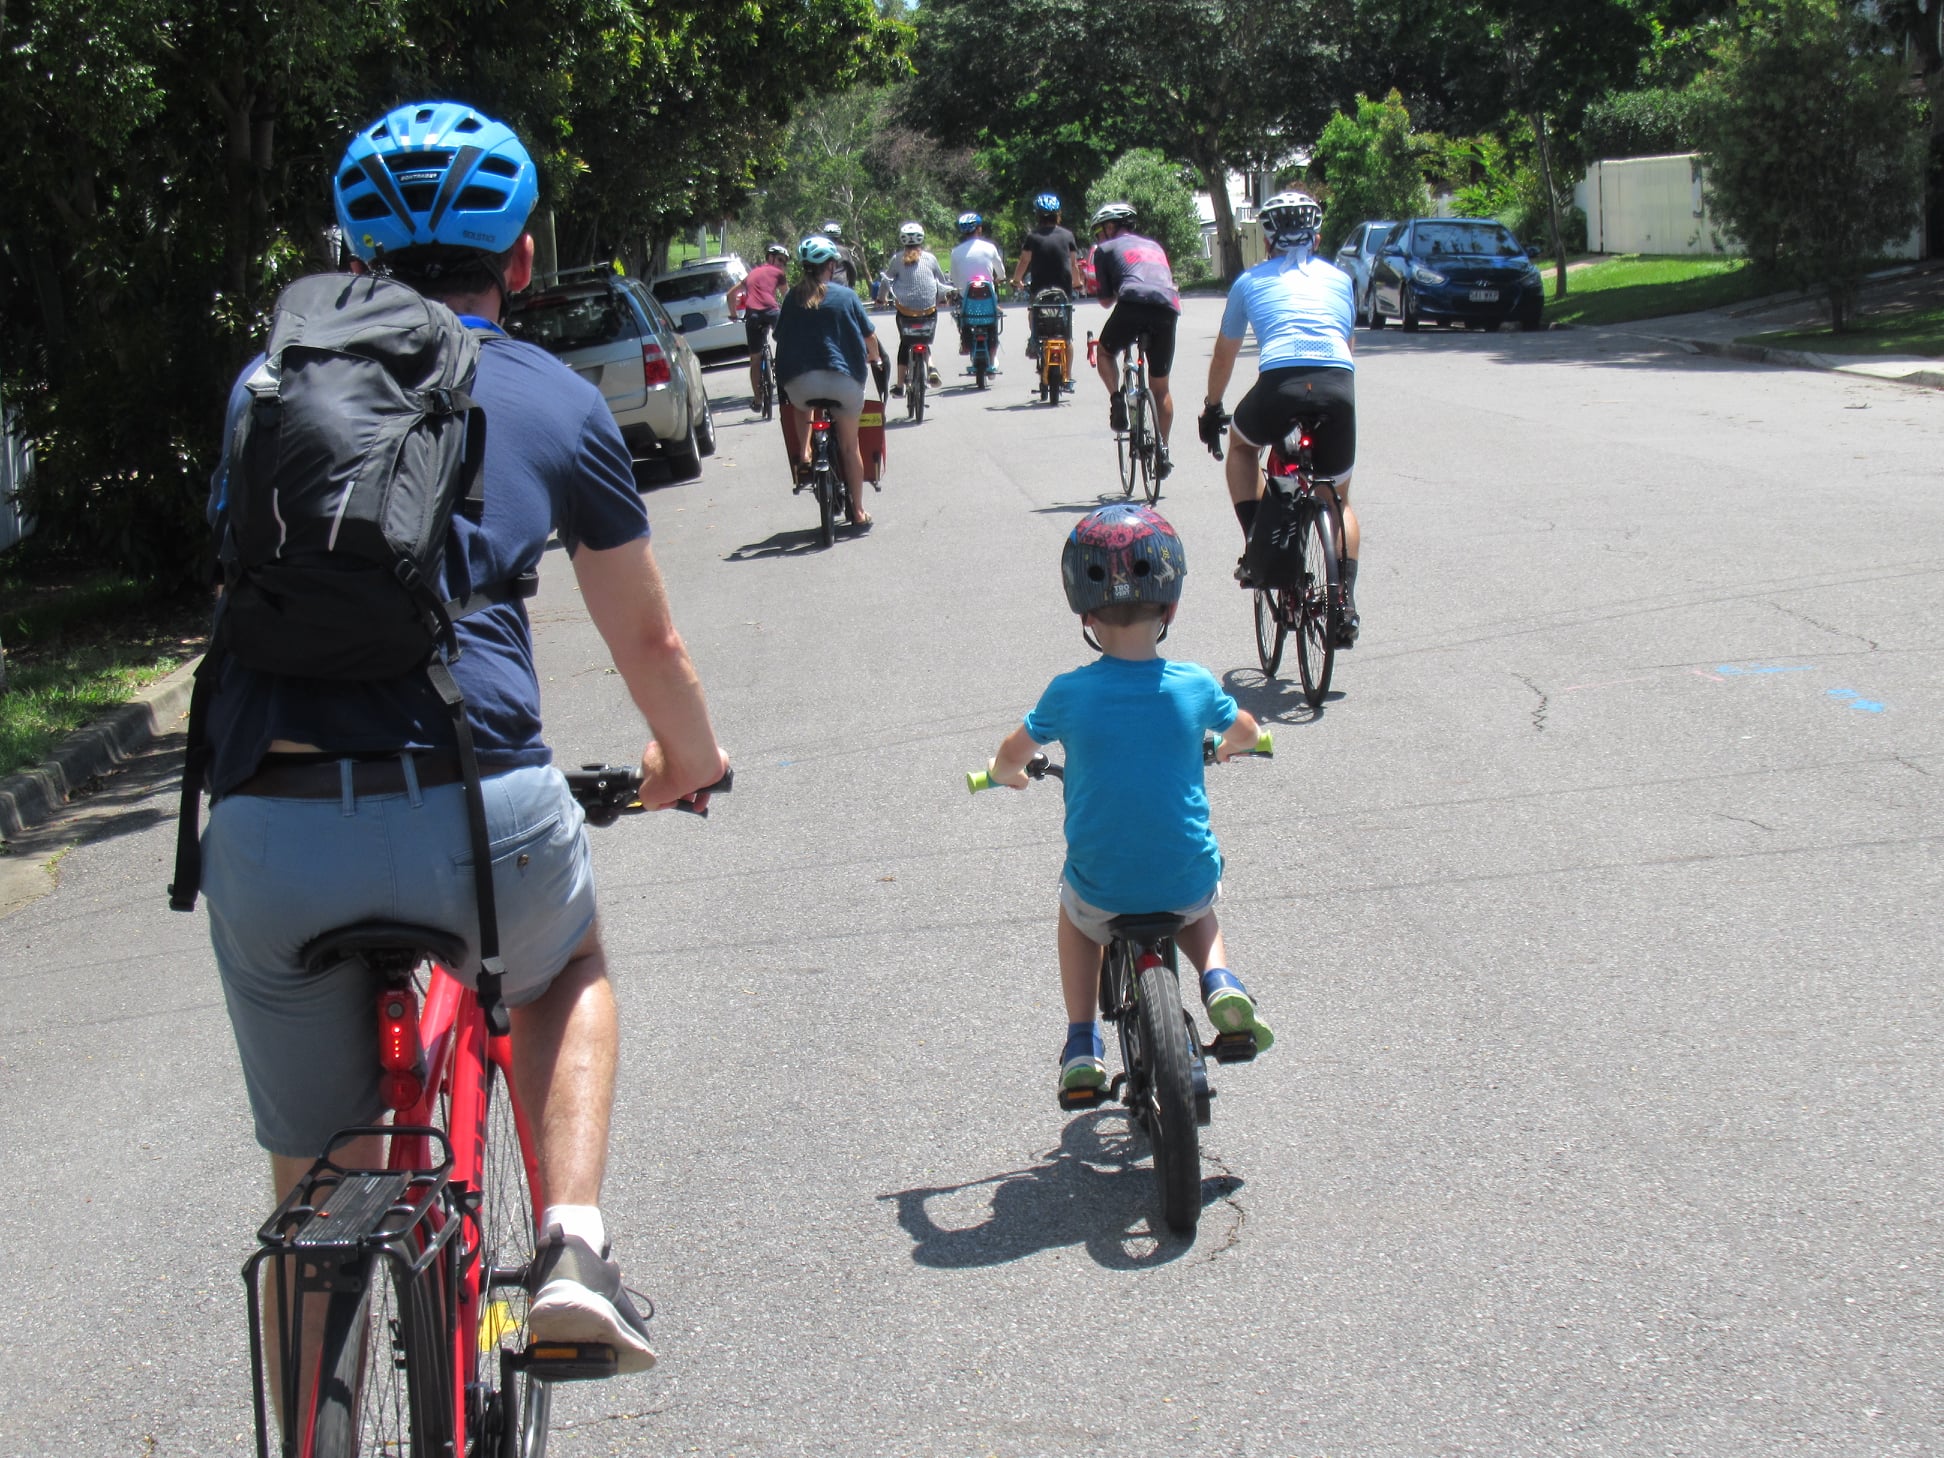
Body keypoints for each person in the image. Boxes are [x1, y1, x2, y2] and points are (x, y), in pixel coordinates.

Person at [199, 101, 729, 1385]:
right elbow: (649, 641)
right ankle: (571, 1248)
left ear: (356, 255)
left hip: (267, 826)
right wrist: (688, 763)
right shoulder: (553, 395)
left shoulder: (264, 387)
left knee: (314, 1187)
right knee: (565, 969)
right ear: (523, 257)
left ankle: (314, 1413)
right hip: (478, 815)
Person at [982, 504, 1276, 1097]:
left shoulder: (1068, 693)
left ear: (1085, 614)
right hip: (1182, 877)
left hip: (1104, 888)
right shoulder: (1195, 684)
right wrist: (1228, 748)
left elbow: (1013, 753)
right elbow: (1245, 731)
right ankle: (1219, 978)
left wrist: (1003, 774)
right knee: (1197, 900)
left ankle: (1081, 1040)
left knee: (1076, 916)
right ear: (1170, 607)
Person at [1201, 190, 1363, 644]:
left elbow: (1224, 354)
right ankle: (1343, 604)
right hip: (1336, 385)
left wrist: (1212, 407)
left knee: (1241, 445)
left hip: (1279, 385)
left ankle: (1259, 546)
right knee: (1337, 499)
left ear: (1267, 240)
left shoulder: (1249, 282)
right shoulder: (1341, 280)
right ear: (1317, 237)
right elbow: (1347, 347)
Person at [775, 233, 886, 528]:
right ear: (832, 266)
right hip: (843, 384)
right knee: (850, 447)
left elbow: (779, 336)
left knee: (802, 407)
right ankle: (858, 511)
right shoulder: (847, 296)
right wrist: (874, 358)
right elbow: (870, 338)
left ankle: (805, 451)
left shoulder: (792, 298)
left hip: (801, 385)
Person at [1088, 201, 1182, 481]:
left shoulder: (1105, 249)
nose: (1099, 237)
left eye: (1100, 231)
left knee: (1105, 352)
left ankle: (1117, 399)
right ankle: (1163, 449)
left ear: (1110, 227)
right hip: (1167, 307)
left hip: (1131, 304)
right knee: (1161, 389)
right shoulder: (1155, 247)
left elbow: (1105, 300)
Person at [879, 221, 952, 396]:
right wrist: (942, 299)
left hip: (905, 311)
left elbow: (886, 281)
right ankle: (931, 366)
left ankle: (899, 386)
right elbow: (941, 283)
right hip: (928, 310)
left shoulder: (897, 259)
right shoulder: (931, 259)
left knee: (906, 342)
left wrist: (881, 298)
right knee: (923, 338)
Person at [1011, 191, 1082, 362]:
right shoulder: (1067, 235)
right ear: (1058, 215)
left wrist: (1016, 280)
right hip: (1063, 291)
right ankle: (1067, 374)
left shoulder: (1033, 236)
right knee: (1066, 335)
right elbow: (1073, 263)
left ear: (1037, 216)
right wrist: (1077, 282)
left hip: (1039, 290)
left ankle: (1034, 338)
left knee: (1033, 313)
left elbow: (1024, 261)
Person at [726, 242, 789, 411]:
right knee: (788, 344)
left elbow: (730, 294)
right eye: (780, 260)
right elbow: (787, 297)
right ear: (770, 258)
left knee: (755, 359)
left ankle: (758, 400)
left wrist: (733, 314)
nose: (782, 265)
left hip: (752, 314)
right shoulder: (779, 274)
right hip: (772, 312)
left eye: (784, 262)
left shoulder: (752, 273)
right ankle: (787, 381)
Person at [948, 212, 1007, 362]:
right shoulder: (990, 248)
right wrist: (998, 279)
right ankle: (992, 355)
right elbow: (1001, 273)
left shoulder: (955, 252)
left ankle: (965, 340)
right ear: (979, 229)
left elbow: (954, 279)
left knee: (962, 316)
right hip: (988, 297)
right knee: (992, 321)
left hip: (966, 298)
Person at [820, 219, 867, 292]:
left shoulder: (820, 251)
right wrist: (851, 286)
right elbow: (852, 271)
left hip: (822, 287)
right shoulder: (843, 251)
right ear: (838, 237)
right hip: (841, 285)